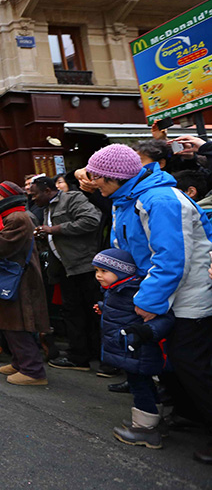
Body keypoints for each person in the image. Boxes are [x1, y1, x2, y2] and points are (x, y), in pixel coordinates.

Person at [83, 143, 212, 464]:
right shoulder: (128, 198)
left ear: (115, 177)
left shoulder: (160, 200)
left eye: (97, 176)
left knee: (192, 365)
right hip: (161, 294)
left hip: (187, 297)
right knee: (173, 364)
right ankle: (189, 415)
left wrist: (147, 300)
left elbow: (171, 257)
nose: (92, 182)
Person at [92, 248, 174, 449]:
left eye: (103, 271)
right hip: (129, 350)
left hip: (137, 350)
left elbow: (163, 318)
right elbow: (122, 312)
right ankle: (154, 421)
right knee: (144, 384)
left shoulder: (134, 292)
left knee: (140, 387)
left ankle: (145, 431)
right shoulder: (117, 290)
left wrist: (147, 332)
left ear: (121, 272)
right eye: (96, 270)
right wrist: (104, 307)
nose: (98, 275)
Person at [0, 181, 51, 386]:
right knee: (9, 323)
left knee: (18, 325)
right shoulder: (7, 217)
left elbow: (3, 246)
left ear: (7, 198)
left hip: (20, 280)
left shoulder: (18, 218)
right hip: (11, 277)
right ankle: (19, 363)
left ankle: (33, 371)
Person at [29, 175, 106, 374]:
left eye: (35, 194)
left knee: (95, 312)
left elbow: (91, 221)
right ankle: (79, 357)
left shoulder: (73, 199)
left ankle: (107, 359)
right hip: (65, 269)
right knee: (73, 314)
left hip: (85, 267)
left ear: (47, 190)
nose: (33, 199)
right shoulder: (45, 209)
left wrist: (54, 229)